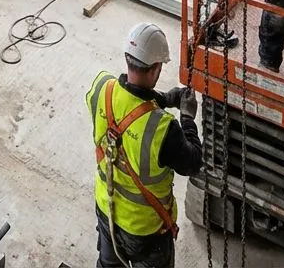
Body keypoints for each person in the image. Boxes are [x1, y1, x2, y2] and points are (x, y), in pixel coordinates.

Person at [86, 22, 202, 268]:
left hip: (107, 210)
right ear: (156, 69)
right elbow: (192, 163)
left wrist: (164, 99)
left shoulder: (102, 89)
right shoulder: (163, 129)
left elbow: (127, 100)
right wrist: (187, 118)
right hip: (144, 230)